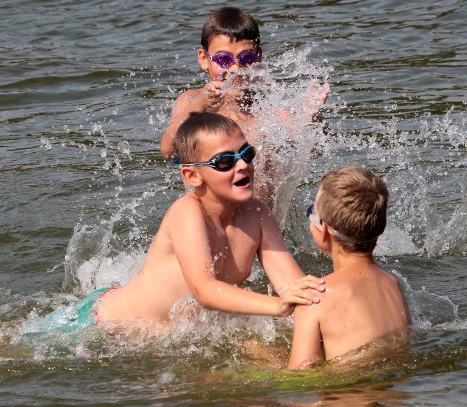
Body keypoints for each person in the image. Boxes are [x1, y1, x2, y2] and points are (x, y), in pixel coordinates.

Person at [28, 112, 326, 338]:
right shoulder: (187, 214)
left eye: (246, 153)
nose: (242, 165)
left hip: (166, 332)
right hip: (98, 326)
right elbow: (205, 291)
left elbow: (293, 287)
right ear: (192, 176)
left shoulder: (257, 214)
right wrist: (275, 306)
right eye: (224, 161)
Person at [159, 6, 328, 160]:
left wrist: (311, 119)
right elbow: (167, 151)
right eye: (223, 59)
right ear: (204, 59)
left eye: (246, 58)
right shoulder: (191, 101)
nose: (235, 69)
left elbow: (319, 149)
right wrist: (199, 106)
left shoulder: (269, 109)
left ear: (258, 57)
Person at [287, 166, 411, 370]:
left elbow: (298, 378)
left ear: (324, 229)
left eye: (311, 211)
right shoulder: (392, 283)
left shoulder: (315, 297)